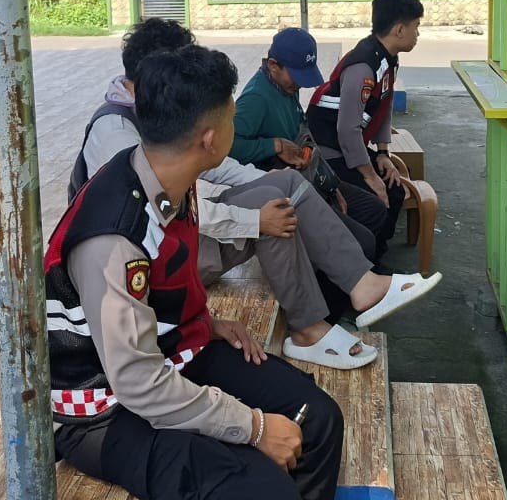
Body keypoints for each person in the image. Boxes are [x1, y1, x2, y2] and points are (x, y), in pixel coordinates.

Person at [47, 46, 342, 499]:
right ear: (210, 138)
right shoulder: (114, 238)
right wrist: (254, 427)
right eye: (232, 116)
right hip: (102, 408)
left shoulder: (167, 177)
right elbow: (137, 382)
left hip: (169, 351)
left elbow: (160, 292)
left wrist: (206, 322)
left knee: (317, 418)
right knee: (259, 486)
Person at [70, 19, 440, 370]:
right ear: (156, 76)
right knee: (269, 213)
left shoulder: (161, 112)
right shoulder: (116, 133)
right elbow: (159, 215)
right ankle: (309, 328)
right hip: (154, 263)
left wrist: (271, 179)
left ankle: (362, 285)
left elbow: (217, 167)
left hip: (184, 236)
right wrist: (252, 218)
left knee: (285, 186)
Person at [232, 27, 433, 318]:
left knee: (375, 210)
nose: (298, 86)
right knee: (361, 240)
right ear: (273, 66)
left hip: (312, 175)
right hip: (285, 188)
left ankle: (363, 283)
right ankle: (333, 314)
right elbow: (230, 147)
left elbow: (306, 137)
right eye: (295, 77)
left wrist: (331, 185)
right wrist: (272, 145)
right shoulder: (256, 99)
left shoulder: (284, 88)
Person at [306, 0, 423, 259]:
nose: (418, 34)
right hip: (328, 151)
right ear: (399, 30)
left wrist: (383, 154)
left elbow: (384, 102)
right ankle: (362, 265)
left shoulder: (388, 58)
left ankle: (377, 256)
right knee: (375, 200)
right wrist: (371, 177)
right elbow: (346, 131)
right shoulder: (363, 67)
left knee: (394, 191)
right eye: (416, 26)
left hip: (348, 147)